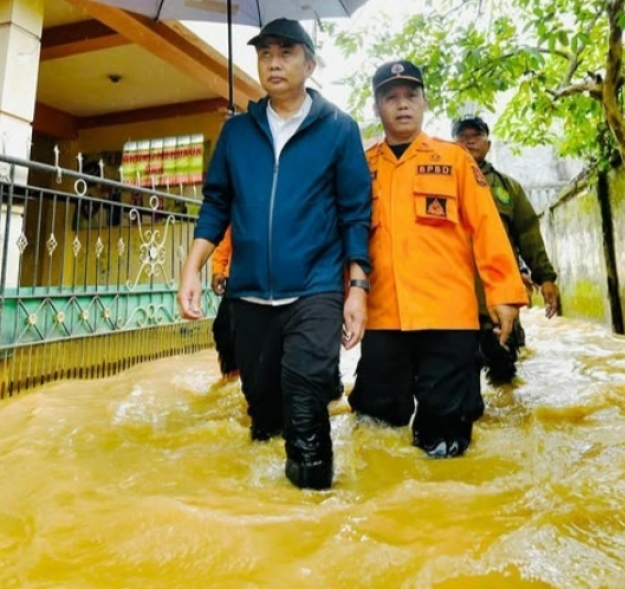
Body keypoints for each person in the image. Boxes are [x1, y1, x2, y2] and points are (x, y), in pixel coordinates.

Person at [177, 18, 372, 490]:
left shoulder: (339, 130)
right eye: (265, 53)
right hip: (248, 296)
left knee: (304, 400)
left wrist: (358, 288)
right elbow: (217, 204)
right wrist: (191, 269)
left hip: (316, 289)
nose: (274, 62)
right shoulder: (237, 134)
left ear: (310, 62)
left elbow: (355, 214)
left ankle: (313, 507)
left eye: (285, 52)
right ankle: (268, 528)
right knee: (264, 411)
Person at [348, 60, 528, 458]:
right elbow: (347, 236)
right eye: (390, 98)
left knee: (447, 443)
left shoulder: (455, 159)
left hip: (449, 321)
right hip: (382, 320)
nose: (402, 105)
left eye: (411, 95)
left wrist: (503, 294)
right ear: (377, 107)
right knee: (376, 434)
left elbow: (487, 228)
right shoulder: (361, 166)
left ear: (425, 101)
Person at [452, 115, 560, 384]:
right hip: (453, 299)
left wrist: (545, 277)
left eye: (476, 135)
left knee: (505, 374)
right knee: (457, 379)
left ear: (488, 144)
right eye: (462, 135)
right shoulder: (438, 183)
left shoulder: (508, 188)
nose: (469, 140)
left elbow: (528, 234)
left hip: (498, 296)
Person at [211, 226, 345, 398]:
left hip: (304, 283)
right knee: (224, 330)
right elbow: (231, 232)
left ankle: (326, 386)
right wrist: (218, 268)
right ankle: (232, 383)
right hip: (249, 281)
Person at [211, 227, 238, 380]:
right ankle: (230, 377)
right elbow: (227, 240)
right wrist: (218, 270)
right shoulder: (238, 210)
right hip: (237, 278)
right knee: (223, 329)